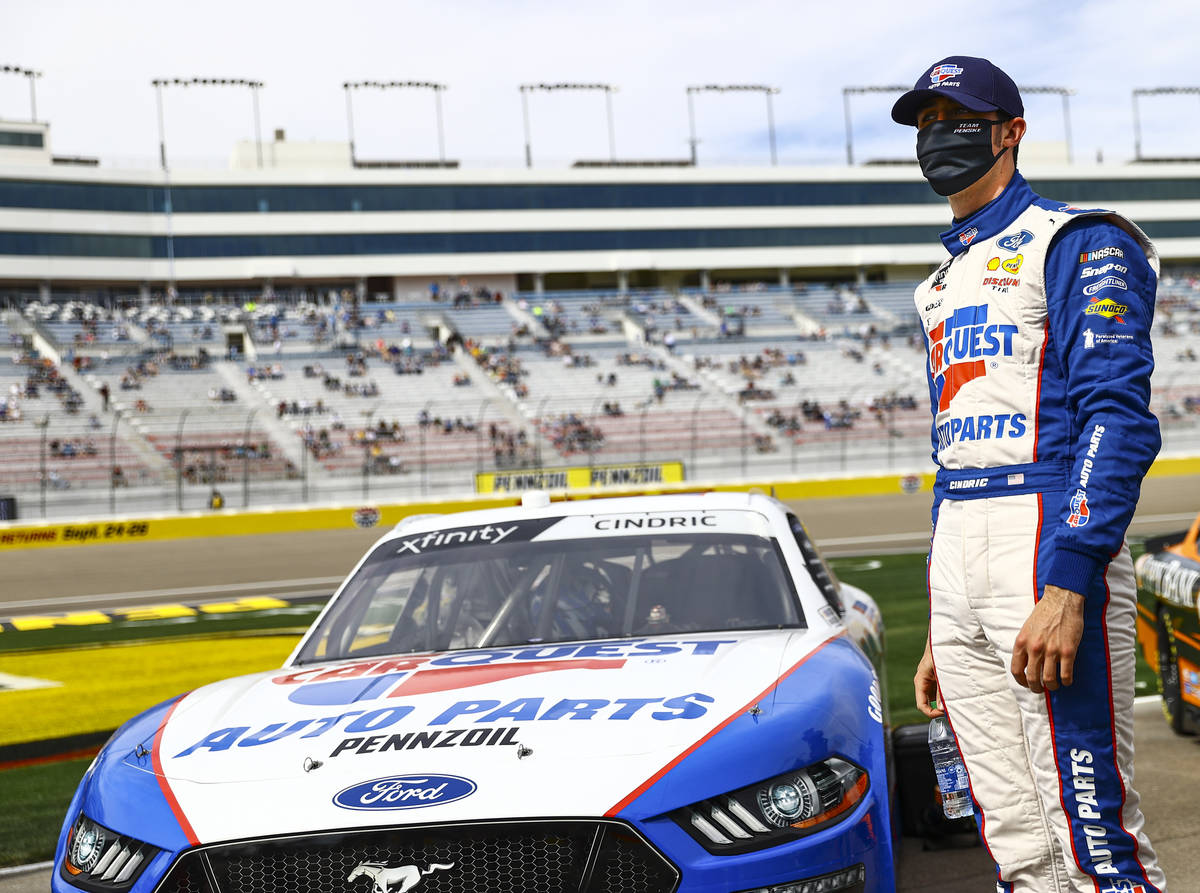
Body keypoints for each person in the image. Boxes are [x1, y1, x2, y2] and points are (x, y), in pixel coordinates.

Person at [898, 57, 1166, 892]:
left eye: (959, 117)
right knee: (1015, 840)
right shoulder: (938, 283)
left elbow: (1117, 417)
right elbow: (952, 451)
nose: (939, 135)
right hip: (962, 549)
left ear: (1010, 131)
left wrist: (1070, 578)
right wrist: (946, 613)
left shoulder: (1080, 238)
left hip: (1042, 532)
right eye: (926, 122)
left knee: (1088, 835)